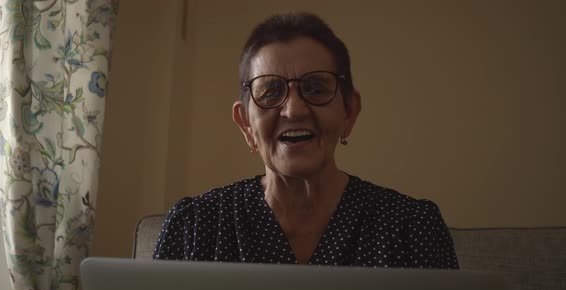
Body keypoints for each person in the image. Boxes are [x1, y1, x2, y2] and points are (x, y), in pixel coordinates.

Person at [153, 12, 459, 269]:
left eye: (316, 87)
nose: (294, 109)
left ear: (349, 111)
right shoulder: (194, 228)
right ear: (246, 123)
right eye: (270, 91)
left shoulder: (412, 228)